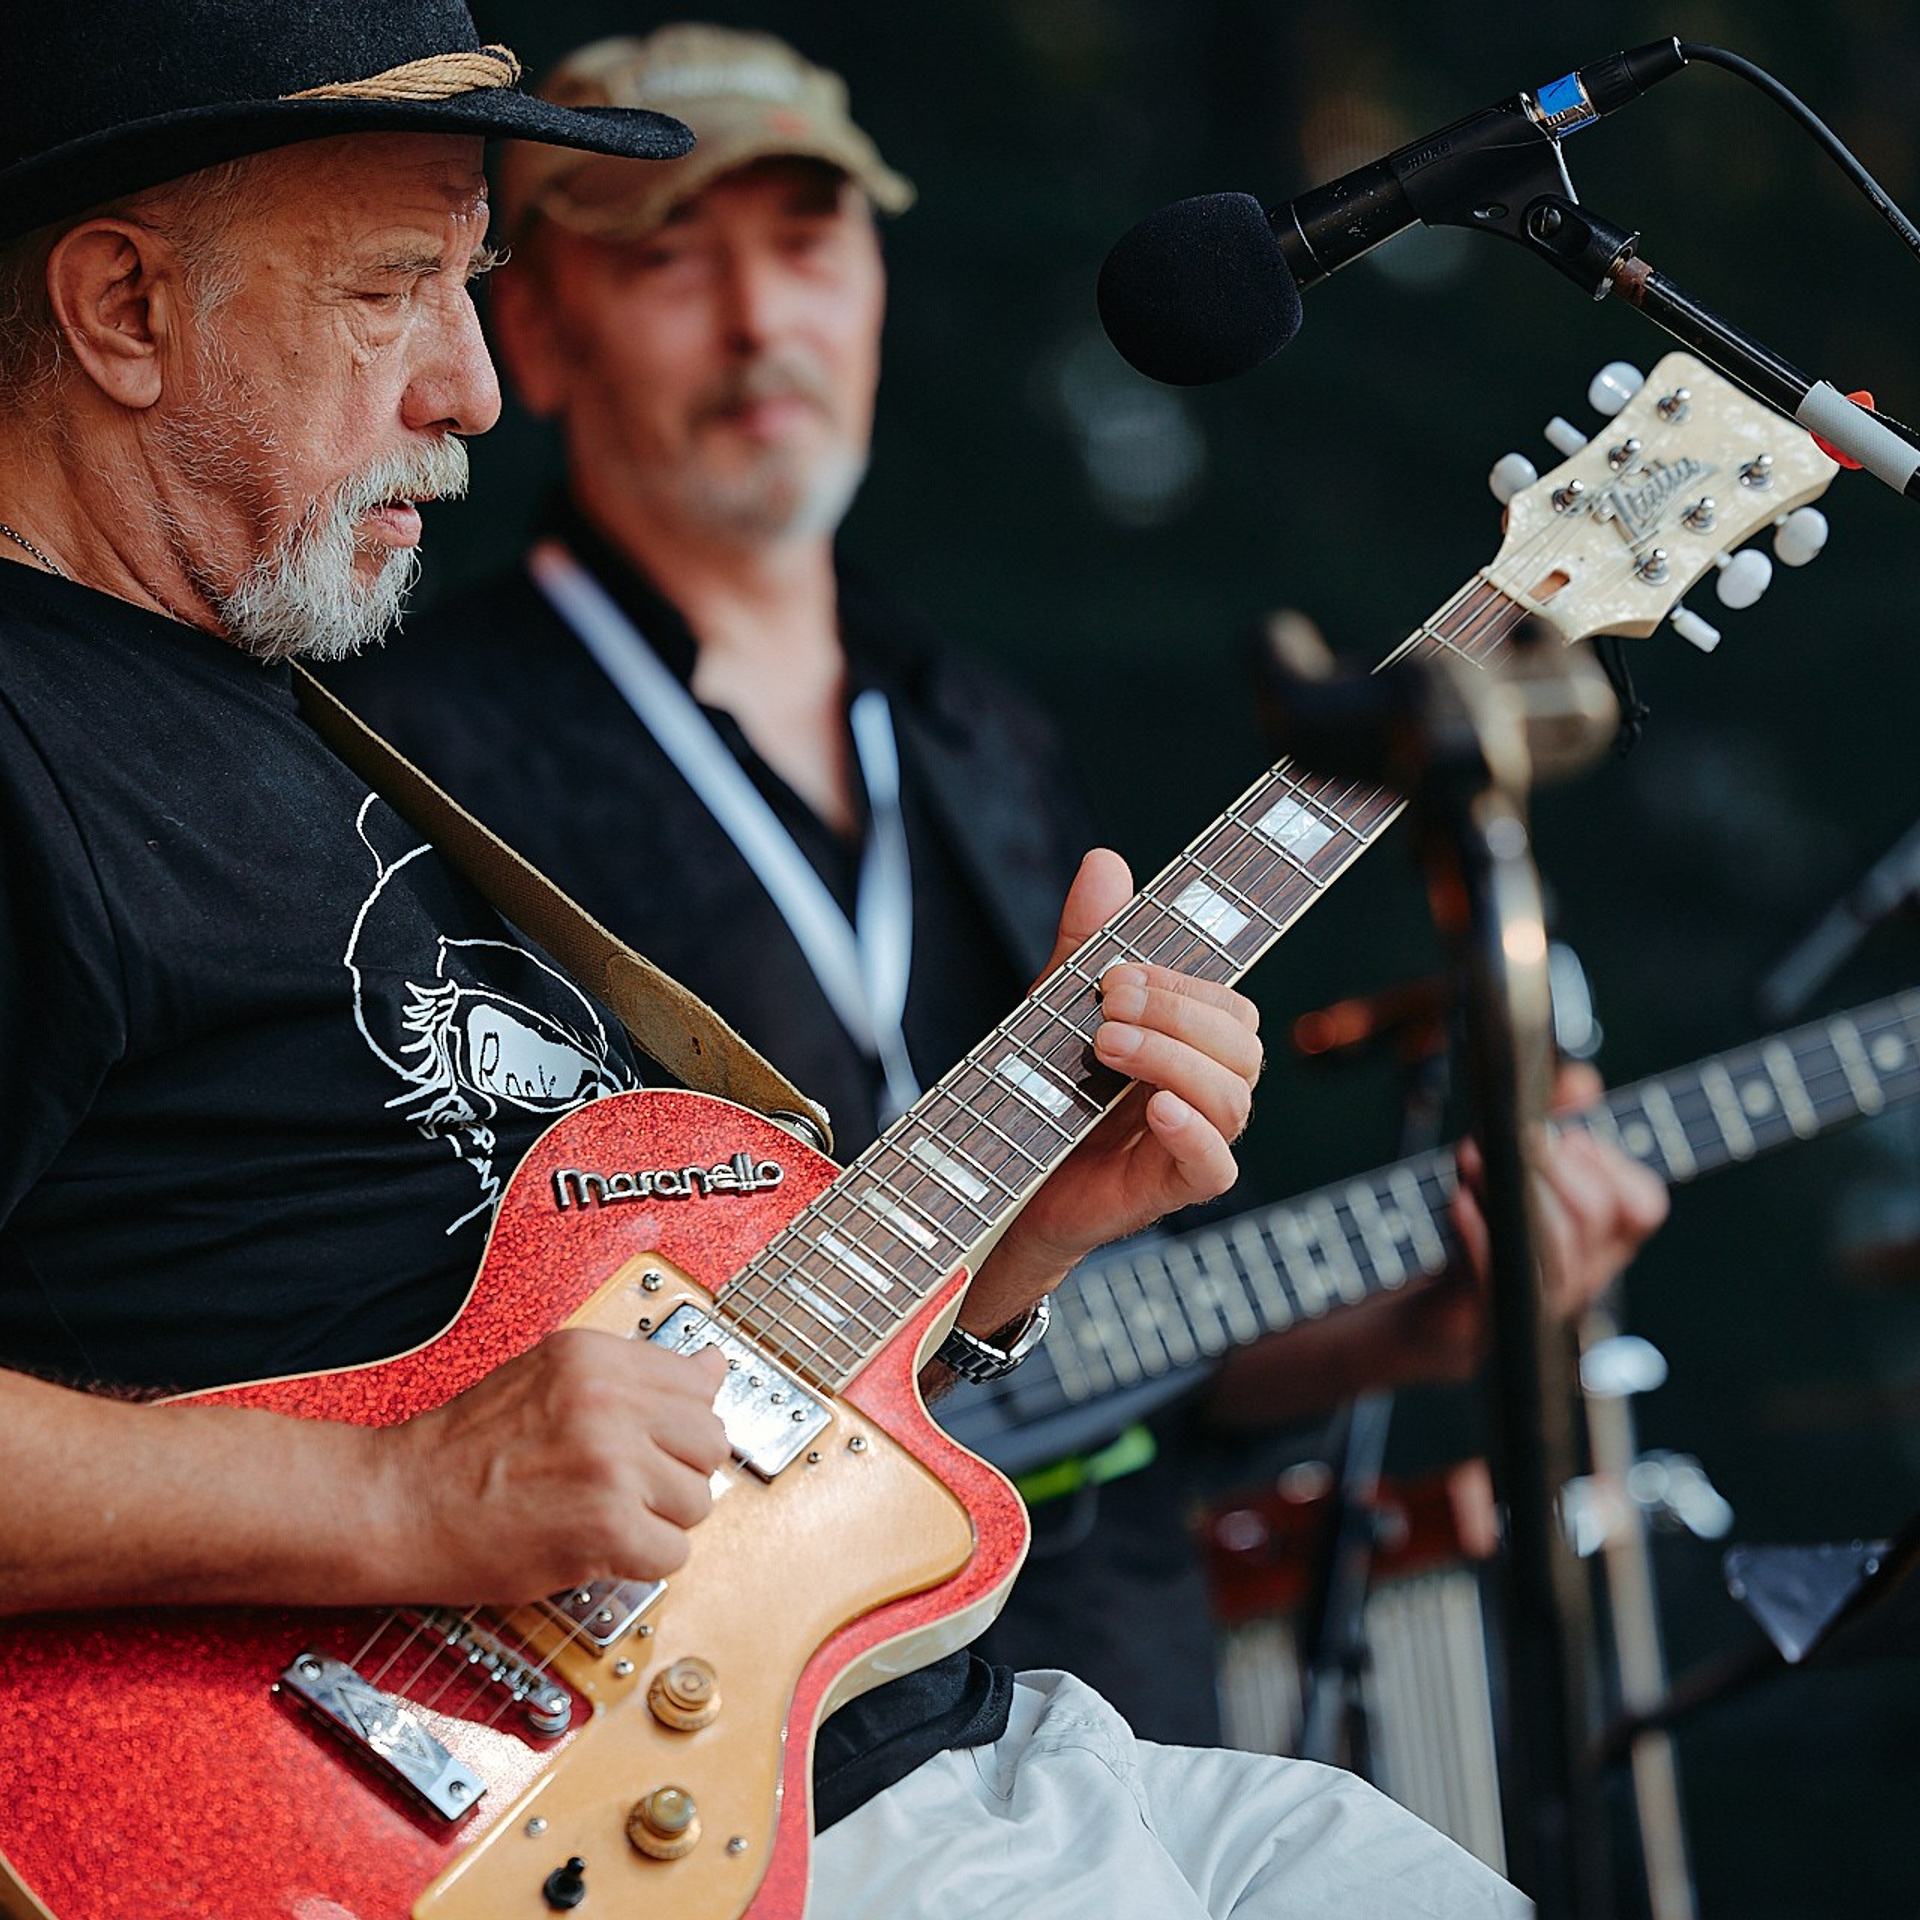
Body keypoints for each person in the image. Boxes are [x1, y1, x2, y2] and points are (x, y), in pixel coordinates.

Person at [0, 5, 1546, 1915]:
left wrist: (1016, 1249)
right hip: (554, 1828)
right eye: (395, 288)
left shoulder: (278, 715)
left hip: (901, 1741)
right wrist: (397, 1498)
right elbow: (457, 1450)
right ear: (123, 310)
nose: (472, 388)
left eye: (471, 287)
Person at [327, 17, 1668, 1761]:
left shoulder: (984, 732)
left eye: (807, 244)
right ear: (542, 333)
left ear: (875, 293)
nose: (760, 320)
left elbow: (1079, 1333)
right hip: (645, 1701)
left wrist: (1415, 1329)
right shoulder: (407, 763)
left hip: (1099, 1671)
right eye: (670, 257)